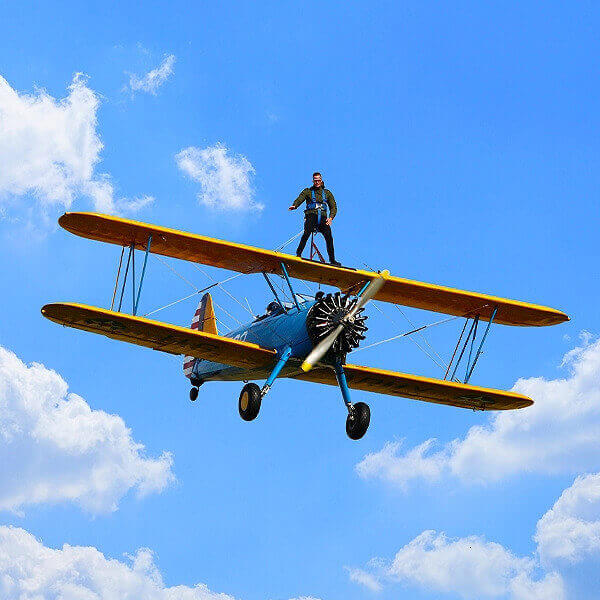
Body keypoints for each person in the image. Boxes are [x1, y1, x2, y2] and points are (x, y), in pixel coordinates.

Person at [289, 172, 341, 266]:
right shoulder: (308, 191)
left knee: (329, 237)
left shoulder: (327, 193)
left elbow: (333, 206)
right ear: (313, 181)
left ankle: (332, 260)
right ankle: (298, 253)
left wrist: (331, 218)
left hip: (323, 218)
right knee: (307, 232)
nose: (317, 182)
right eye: (315, 180)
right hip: (311, 215)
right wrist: (295, 205)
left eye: (318, 180)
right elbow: (300, 198)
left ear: (321, 181)